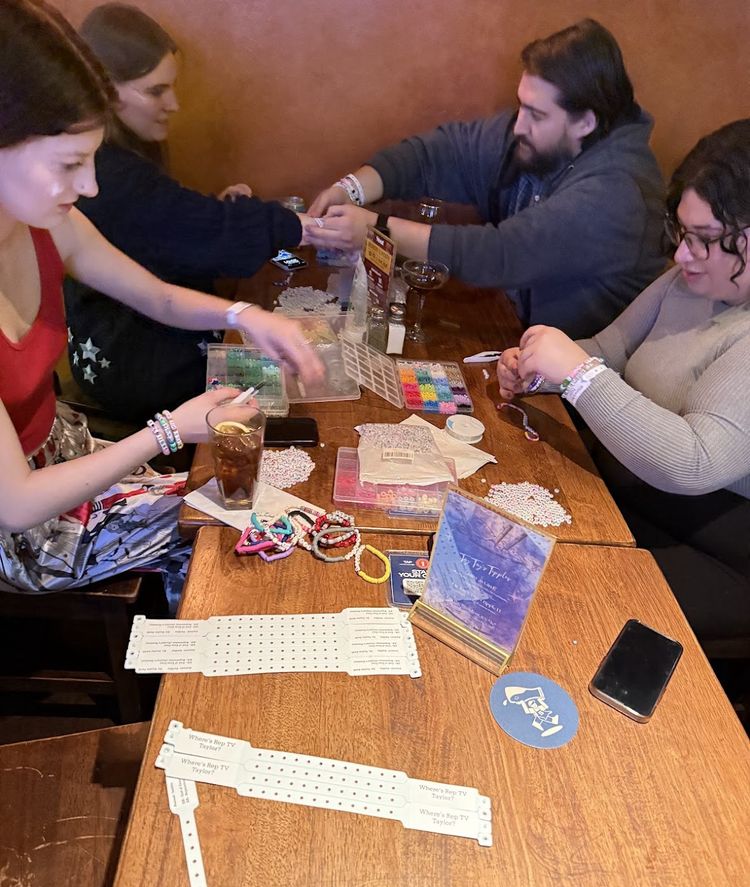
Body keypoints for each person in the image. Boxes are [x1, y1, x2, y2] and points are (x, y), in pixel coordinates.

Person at [0, 0, 322, 605]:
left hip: (62, 449)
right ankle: (187, 694)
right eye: (70, 163)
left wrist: (244, 314)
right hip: (22, 529)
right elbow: (15, 505)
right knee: (228, 528)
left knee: (243, 494)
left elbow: (153, 295)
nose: (91, 185)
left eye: (94, 158)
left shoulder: (40, 222)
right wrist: (171, 430)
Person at [496, 119, 750, 643]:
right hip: (628, 490)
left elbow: (695, 462)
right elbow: (610, 351)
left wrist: (578, 375)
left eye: (704, 240)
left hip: (719, 545)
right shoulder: (689, 276)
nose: (681, 256)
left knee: (559, 605)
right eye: (681, 232)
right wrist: (541, 369)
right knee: (502, 542)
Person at [306, 19, 665, 340]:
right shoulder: (539, 138)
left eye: (537, 115)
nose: (519, 125)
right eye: (521, 105)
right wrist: (350, 189)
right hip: (509, 336)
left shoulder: (618, 192)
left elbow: (502, 253)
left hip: (573, 390)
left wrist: (376, 228)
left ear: (585, 122)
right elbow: (441, 154)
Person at [65, 2, 312, 420]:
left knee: (274, 355)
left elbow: (170, 232)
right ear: (103, 91)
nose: (174, 104)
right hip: (127, 367)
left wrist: (244, 310)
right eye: (155, 90)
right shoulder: (111, 172)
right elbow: (214, 238)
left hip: (124, 341)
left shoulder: (122, 160)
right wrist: (304, 227)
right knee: (286, 395)